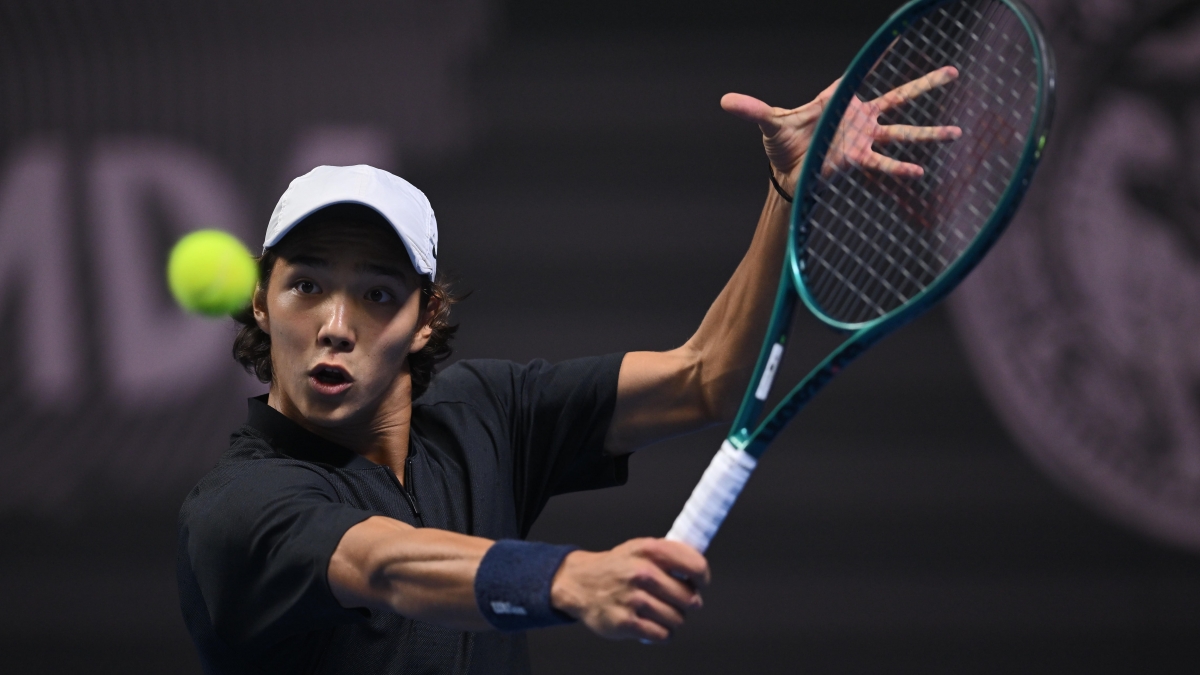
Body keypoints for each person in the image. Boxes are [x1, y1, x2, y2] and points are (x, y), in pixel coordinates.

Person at [177, 72, 959, 675]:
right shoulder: (239, 507)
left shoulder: (483, 412)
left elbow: (702, 377)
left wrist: (787, 190)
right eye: (306, 285)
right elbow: (383, 564)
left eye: (377, 293)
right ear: (262, 301)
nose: (335, 325)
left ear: (425, 319)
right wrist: (569, 578)